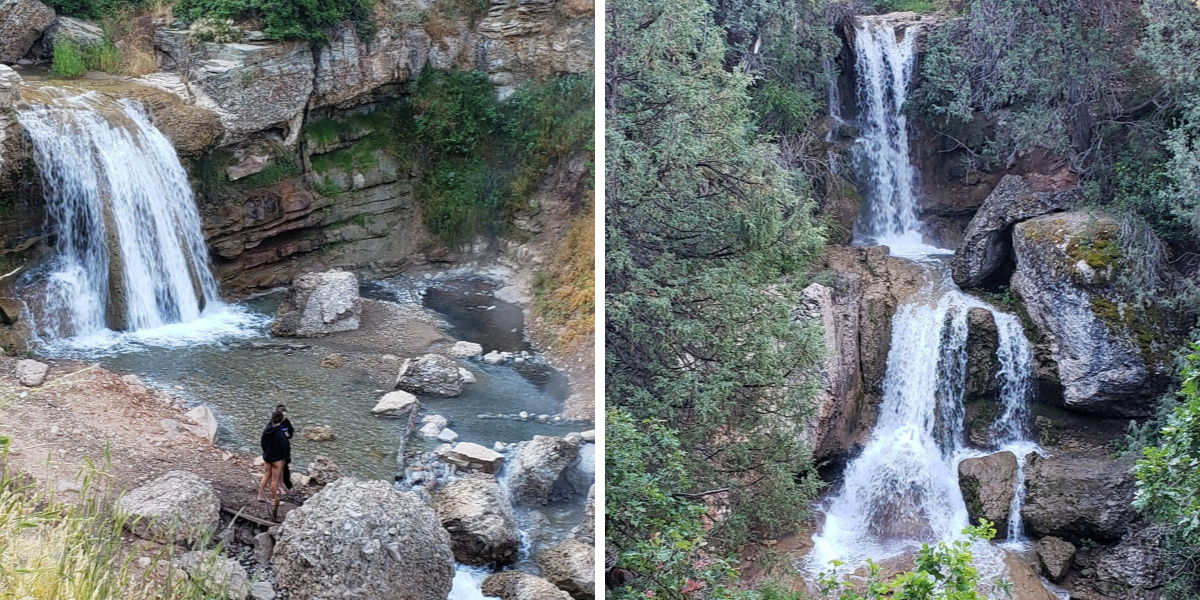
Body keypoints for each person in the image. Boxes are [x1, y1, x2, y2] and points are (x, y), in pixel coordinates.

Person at [258, 410, 290, 503]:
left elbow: (262, 442)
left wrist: (265, 451)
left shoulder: (266, 430)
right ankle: (273, 499)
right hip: (277, 459)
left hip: (267, 456)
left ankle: (260, 495)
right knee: (274, 480)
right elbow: (285, 448)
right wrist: (285, 458)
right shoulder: (281, 434)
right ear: (282, 420)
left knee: (266, 476)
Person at [274, 404, 295, 495]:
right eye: (283, 416)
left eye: (286, 416)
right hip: (276, 450)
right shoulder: (273, 424)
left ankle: (286, 486)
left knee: (285, 468)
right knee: (277, 469)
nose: (284, 418)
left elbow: (291, 431)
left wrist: (288, 434)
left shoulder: (286, 422)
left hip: (285, 448)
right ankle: (278, 487)